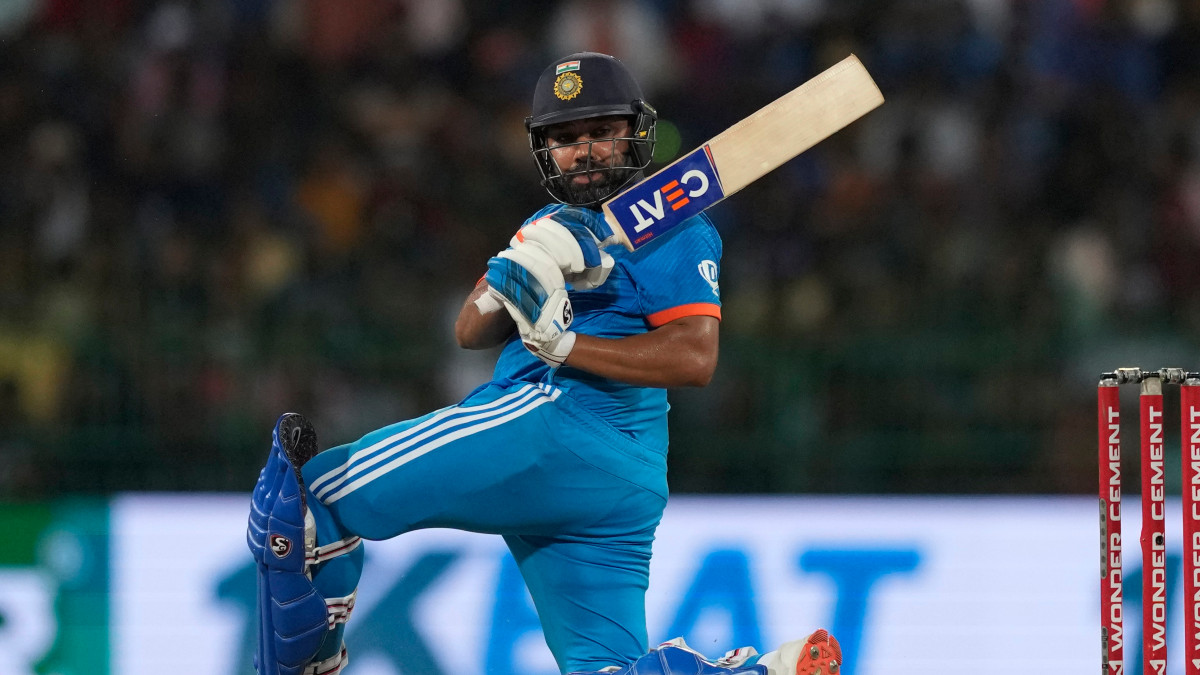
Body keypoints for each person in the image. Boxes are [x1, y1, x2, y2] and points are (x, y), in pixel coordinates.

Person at [246, 52, 842, 675]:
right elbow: (469, 329)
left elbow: (695, 356)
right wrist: (521, 266)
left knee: (310, 501)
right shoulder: (547, 223)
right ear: (543, 150)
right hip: (622, 481)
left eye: (601, 133)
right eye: (565, 138)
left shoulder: (675, 226)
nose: (584, 151)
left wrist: (566, 348)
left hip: (554, 427)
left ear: (635, 133)